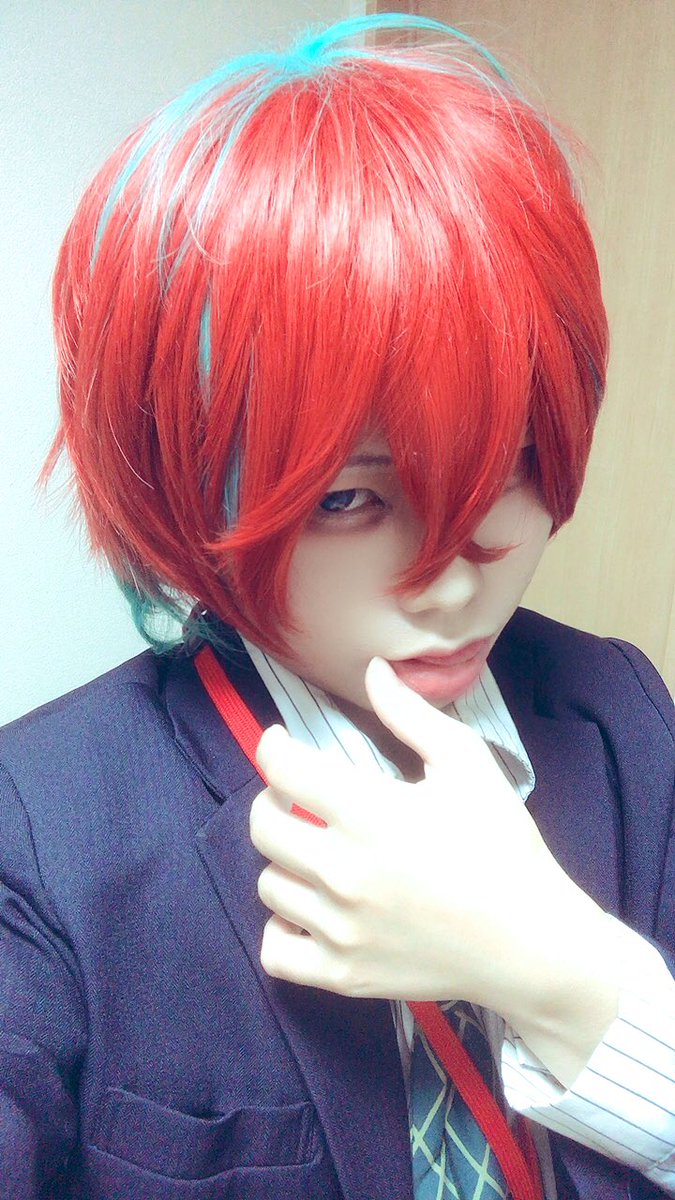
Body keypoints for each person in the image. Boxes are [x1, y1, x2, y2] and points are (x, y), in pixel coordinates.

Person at [1, 12, 673, 1199]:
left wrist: (557, 976)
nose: (455, 574)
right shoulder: (43, 826)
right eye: (351, 499)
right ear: (186, 481)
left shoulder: (617, 716)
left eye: (509, 463)